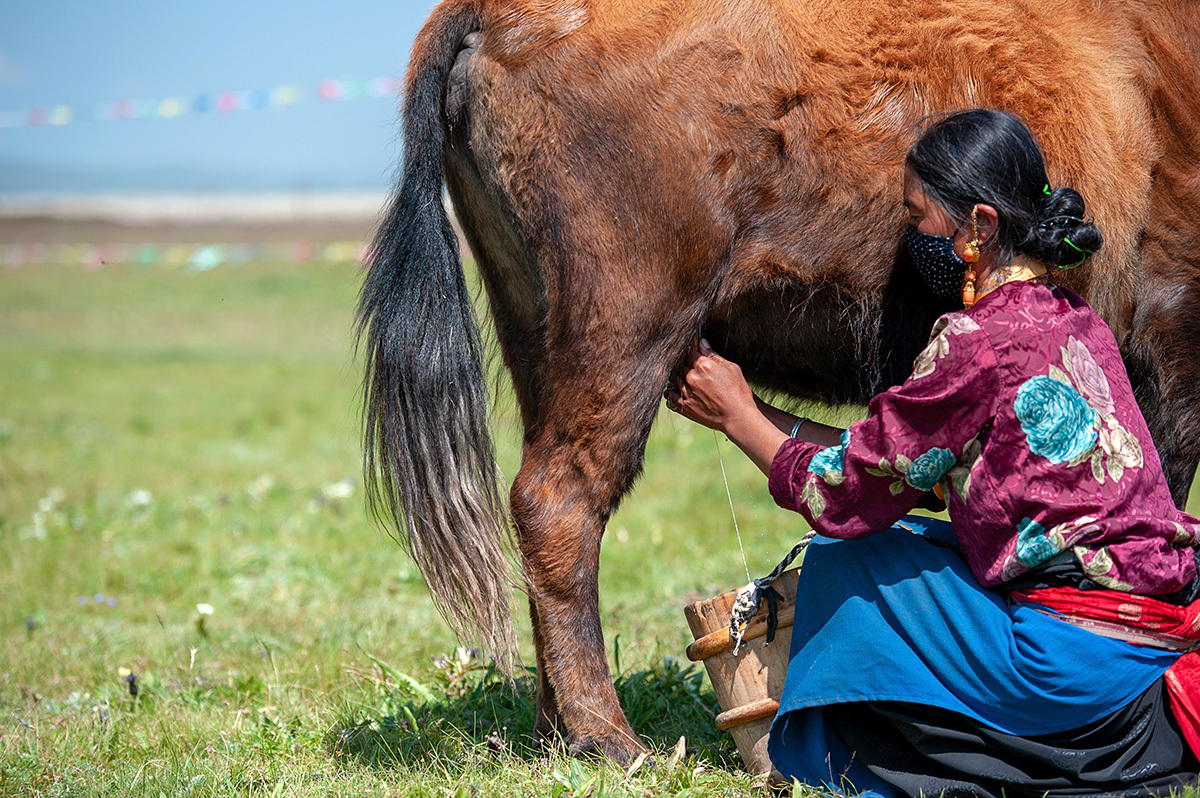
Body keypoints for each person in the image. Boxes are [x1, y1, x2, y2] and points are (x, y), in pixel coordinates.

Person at [665, 109, 1200, 798]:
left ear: (978, 228)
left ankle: (916, 760)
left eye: (918, 217)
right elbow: (901, 462)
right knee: (914, 534)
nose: (911, 236)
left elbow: (846, 495)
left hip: (1072, 658)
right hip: (1152, 631)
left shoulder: (973, 341)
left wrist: (739, 417)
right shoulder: (1074, 321)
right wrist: (758, 414)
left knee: (847, 565)